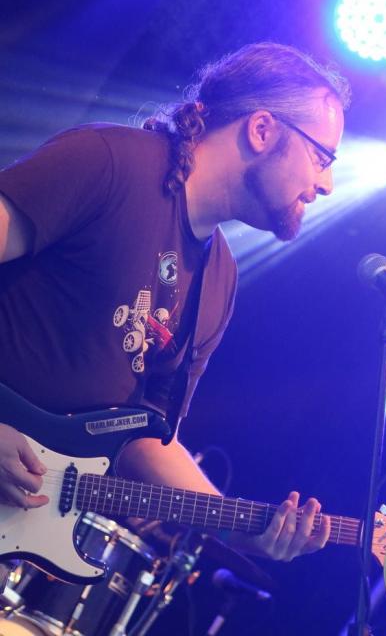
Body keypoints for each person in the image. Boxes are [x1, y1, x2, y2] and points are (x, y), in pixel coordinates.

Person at [0, 42, 350, 562]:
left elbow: (141, 434)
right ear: (261, 130)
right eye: (321, 157)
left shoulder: (220, 278)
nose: (327, 184)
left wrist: (236, 528)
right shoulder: (109, 163)